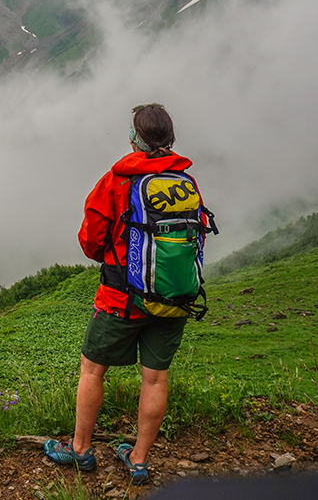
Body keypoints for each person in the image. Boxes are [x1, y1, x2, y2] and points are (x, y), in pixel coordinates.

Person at [44, 103, 213, 484]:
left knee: (92, 370)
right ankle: (138, 459)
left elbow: (90, 242)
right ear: (170, 139)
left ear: (136, 138)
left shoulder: (117, 180)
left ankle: (81, 450)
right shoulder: (186, 182)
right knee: (155, 378)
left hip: (121, 297)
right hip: (174, 298)